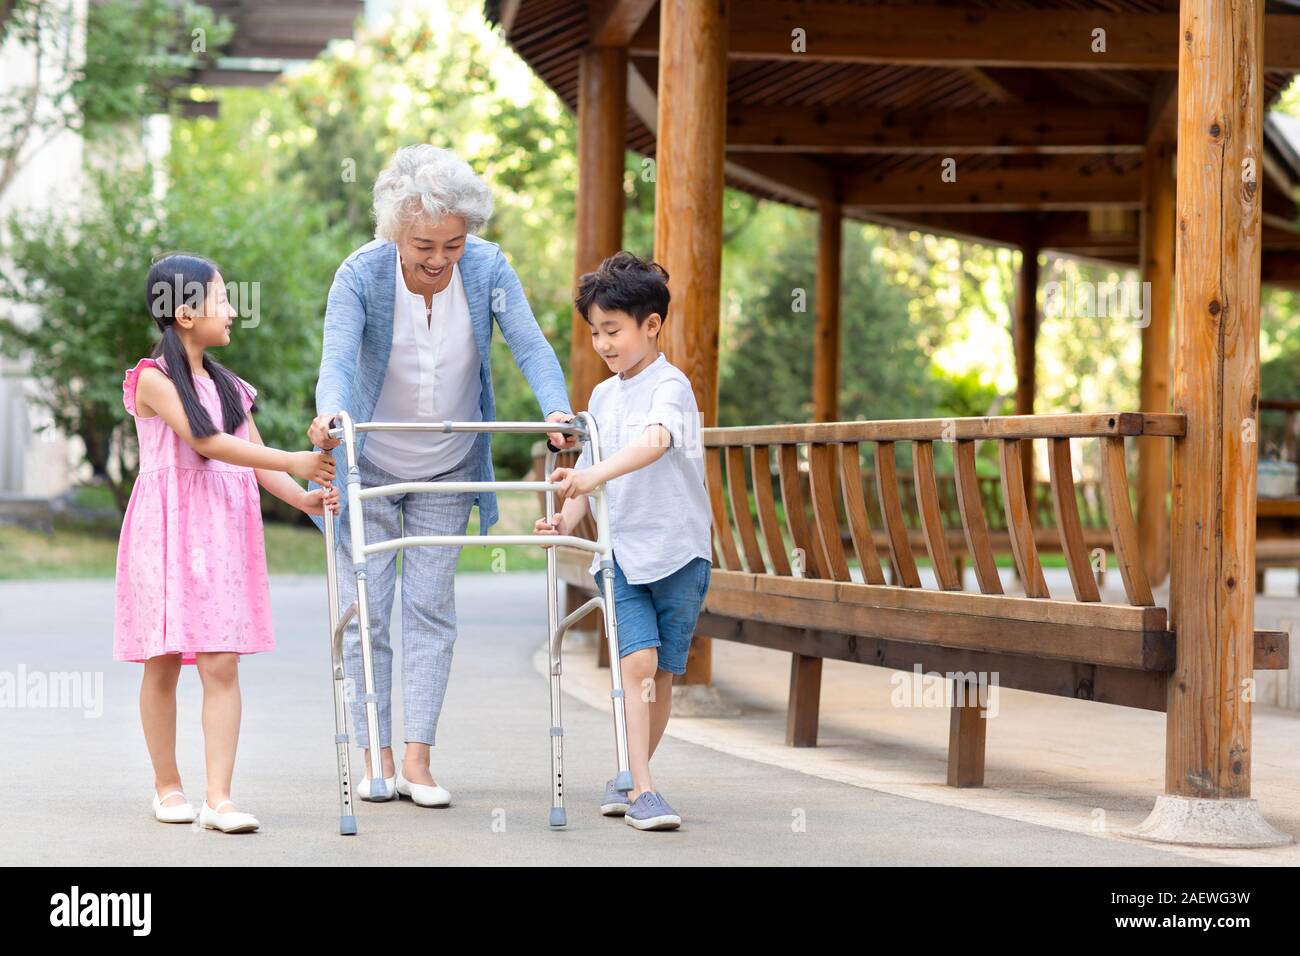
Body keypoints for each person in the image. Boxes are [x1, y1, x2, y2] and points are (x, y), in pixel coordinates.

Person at [304, 145, 575, 807]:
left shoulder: (486, 269)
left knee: (430, 609)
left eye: (453, 244)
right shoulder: (361, 275)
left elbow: (530, 344)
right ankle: (377, 754)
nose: (438, 259)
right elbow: (337, 359)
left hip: (449, 466)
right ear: (395, 230)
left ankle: (418, 761)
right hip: (368, 464)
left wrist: (556, 408)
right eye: (425, 244)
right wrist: (330, 417)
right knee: (368, 612)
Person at [115, 252, 339, 834]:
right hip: (167, 532)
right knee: (163, 660)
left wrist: (303, 497)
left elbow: (257, 462)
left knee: (221, 661)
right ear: (185, 314)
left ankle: (220, 797)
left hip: (218, 534)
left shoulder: (229, 385)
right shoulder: (154, 380)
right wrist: (294, 458)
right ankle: (168, 785)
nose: (234, 309)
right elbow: (208, 443)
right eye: (222, 298)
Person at [535, 251, 713, 830]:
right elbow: (589, 468)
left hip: (682, 551)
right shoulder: (604, 398)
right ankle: (643, 787)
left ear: (651, 325)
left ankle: (629, 775)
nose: (603, 344)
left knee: (662, 674)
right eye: (595, 333)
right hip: (623, 553)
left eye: (613, 330)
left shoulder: (671, 386)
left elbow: (655, 443)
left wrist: (590, 476)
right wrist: (565, 518)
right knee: (636, 662)